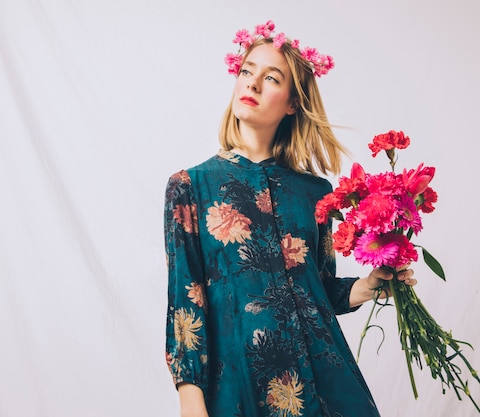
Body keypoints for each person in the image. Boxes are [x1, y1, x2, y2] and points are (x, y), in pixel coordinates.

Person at [164, 20, 416, 417]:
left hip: (327, 381)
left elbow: (321, 288)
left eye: (271, 77)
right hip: (242, 386)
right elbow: (186, 304)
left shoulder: (315, 193)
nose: (253, 83)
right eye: (247, 71)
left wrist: (371, 284)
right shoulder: (190, 187)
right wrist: (190, 401)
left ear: (293, 102)